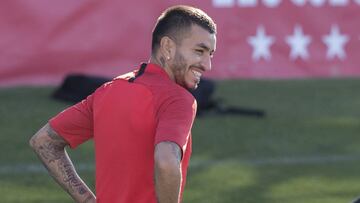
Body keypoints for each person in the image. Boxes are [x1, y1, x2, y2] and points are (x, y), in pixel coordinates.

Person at [29, 5, 216, 203]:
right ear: (168, 47)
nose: (207, 64)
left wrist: (87, 200)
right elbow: (166, 161)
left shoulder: (108, 90)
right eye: (199, 51)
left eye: (210, 54)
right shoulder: (178, 99)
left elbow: (43, 141)